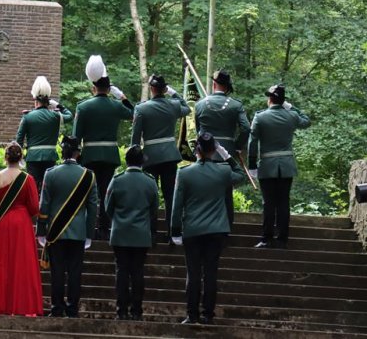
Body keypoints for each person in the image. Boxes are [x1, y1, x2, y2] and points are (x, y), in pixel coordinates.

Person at [171, 132, 246, 325]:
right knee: (211, 273)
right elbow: (240, 175)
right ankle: (208, 314)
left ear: (197, 150)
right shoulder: (223, 172)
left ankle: (192, 314)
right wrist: (226, 154)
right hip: (216, 230)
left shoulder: (184, 173)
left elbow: (177, 205)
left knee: (193, 273)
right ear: (213, 150)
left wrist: (175, 230)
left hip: (193, 230)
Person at [0, 142, 42, 316]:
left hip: (2, 222)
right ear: (20, 158)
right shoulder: (28, 179)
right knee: (21, 264)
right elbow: (35, 208)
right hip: (22, 224)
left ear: (5, 157)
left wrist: (1, 210)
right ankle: (21, 306)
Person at [73, 55, 134, 239]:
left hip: (89, 156)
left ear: (94, 88)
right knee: (105, 192)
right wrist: (121, 96)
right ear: (109, 89)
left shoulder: (83, 107)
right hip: (109, 156)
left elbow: (76, 136)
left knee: (88, 194)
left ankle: (87, 228)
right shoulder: (116, 106)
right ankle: (104, 229)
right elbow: (133, 113)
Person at [36, 136, 98, 318]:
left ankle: (57, 308)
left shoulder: (51, 173)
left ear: (62, 152)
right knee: (75, 273)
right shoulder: (88, 175)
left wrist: (41, 230)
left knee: (57, 272)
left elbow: (44, 205)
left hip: (56, 232)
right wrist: (89, 233)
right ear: (78, 153)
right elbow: (93, 208)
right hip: (79, 233)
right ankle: (72, 309)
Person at [249, 84, 311, 249]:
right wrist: (291, 107)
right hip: (286, 166)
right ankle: (282, 239)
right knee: (283, 202)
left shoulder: (260, 117)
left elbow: (252, 142)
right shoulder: (292, 116)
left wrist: (252, 164)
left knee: (268, 203)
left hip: (267, 166)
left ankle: (266, 238)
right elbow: (307, 121)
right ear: (283, 101)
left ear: (270, 99)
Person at [131, 74, 190, 240]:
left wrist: (134, 157)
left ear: (151, 89)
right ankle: (171, 231)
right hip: (170, 156)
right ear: (164, 89)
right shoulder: (173, 105)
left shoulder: (141, 109)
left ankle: (151, 232)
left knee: (150, 194)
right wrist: (173, 92)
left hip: (149, 157)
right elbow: (187, 107)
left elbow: (135, 138)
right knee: (170, 195)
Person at [105, 145, 159, 321]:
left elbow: (108, 207)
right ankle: (137, 310)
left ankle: (121, 310)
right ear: (142, 161)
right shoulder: (150, 181)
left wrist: (118, 220)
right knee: (137, 272)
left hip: (120, 233)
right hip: (141, 234)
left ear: (126, 161)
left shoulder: (117, 180)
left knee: (121, 271)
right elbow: (154, 209)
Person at [194, 69, 250, 227]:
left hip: (204, 154)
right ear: (227, 86)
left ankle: (204, 225)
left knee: (204, 192)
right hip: (227, 154)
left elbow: (199, 132)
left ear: (214, 84)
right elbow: (246, 128)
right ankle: (227, 228)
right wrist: (237, 146)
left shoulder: (199, 105)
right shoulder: (236, 105)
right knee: (226, 193)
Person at [16, 76, 72, 192]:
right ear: (48, 100)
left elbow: (19, 140)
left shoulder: (27, 117)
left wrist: (19, 158)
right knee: (48, 189)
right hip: (50, 156)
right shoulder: (55, 116)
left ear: (35, 99)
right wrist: (58, 105)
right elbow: (69, 116)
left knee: (33, 189)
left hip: (32, 157)